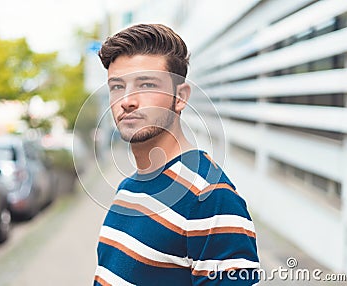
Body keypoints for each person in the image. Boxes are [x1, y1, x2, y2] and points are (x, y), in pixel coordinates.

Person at [94, 23, 259, 285]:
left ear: (180, 97)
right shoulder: (128, 188)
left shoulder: (210, 196)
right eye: (117, 86)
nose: (127, 100)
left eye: (146, 84)